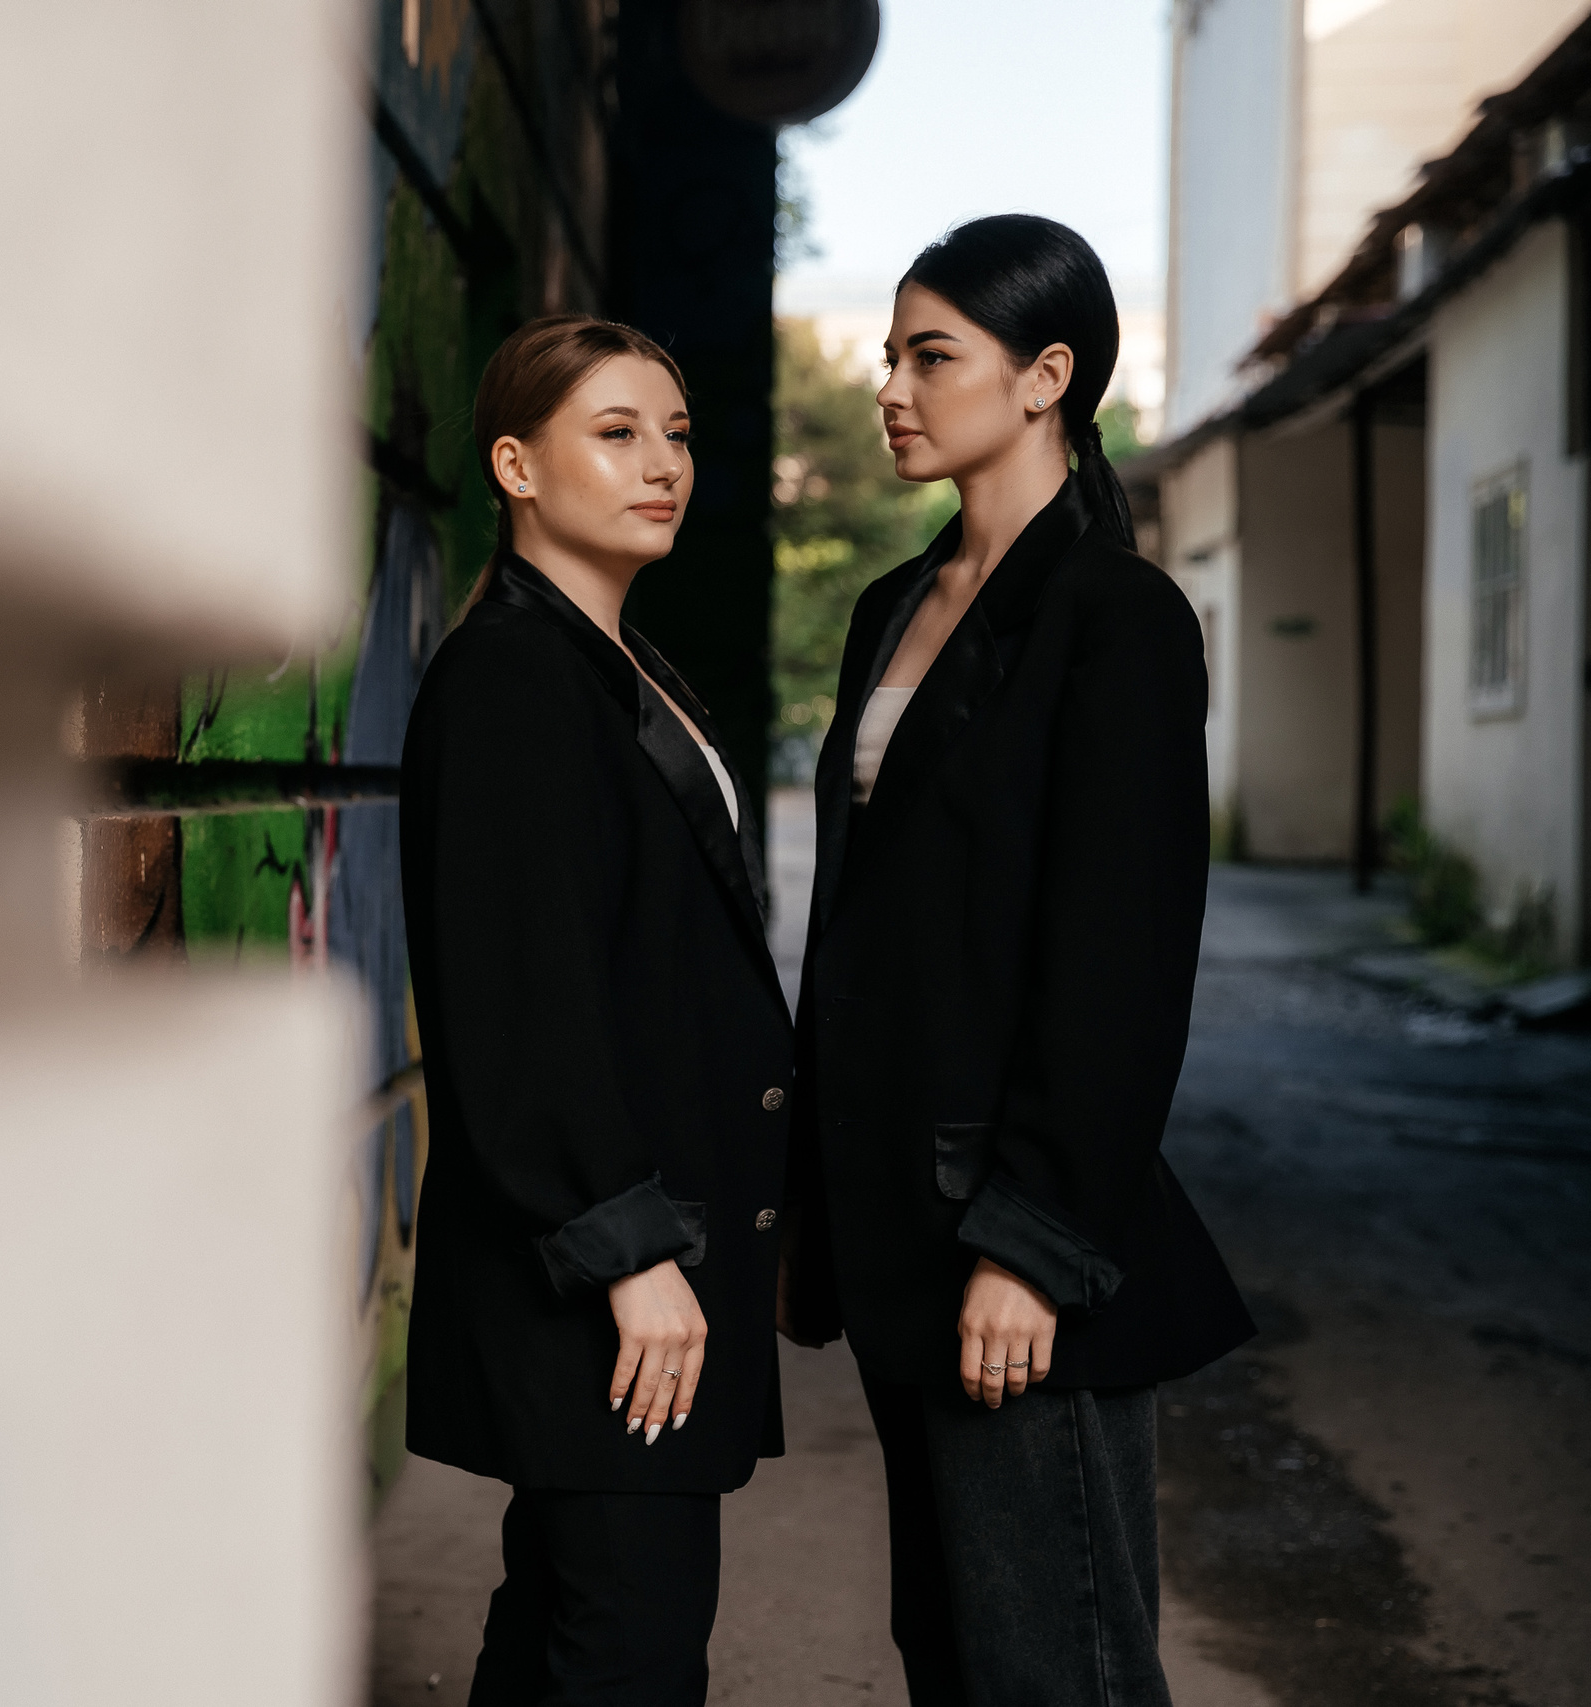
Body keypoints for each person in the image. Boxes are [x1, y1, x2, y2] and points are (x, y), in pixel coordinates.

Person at [780, 215, 1256, 1706]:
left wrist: (1035, 1245)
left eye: (933, 357)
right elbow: (864, 929)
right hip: (894, 1223)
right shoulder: (891, 609)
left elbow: (1122, 960)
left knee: (1057, 1672)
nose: (892, 391)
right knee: (953, 1660)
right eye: (890, 357)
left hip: (1009, 1240)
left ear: (1046, 376)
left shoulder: (1117, 619)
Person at [400, 315, 796, 1706]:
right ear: (516, 466)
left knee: (572, 1622)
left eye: (676, 435)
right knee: (628, 1640)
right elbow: (518, 1001)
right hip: (609, 1263)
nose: (663, 465)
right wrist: (629, 1252)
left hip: (646, 1244)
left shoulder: (611, 666)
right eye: (616, 434)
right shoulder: (513, 679)